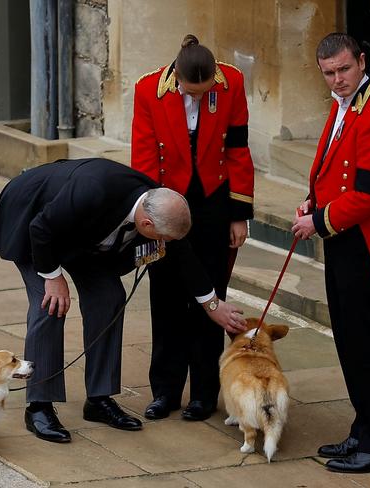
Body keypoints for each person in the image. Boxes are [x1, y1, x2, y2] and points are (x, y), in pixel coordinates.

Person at [0, 157, 242, 443]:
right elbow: (41, 229)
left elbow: (183, 255)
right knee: (49, 304)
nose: (165, 243)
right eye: (161, 237)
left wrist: (212, 304)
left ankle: (99, 399)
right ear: (146, 223)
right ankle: (39, 406)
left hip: (82, 236)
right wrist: (54, 278)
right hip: (32, 218)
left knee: (109, 296)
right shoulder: (93, 191)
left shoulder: (158, 202)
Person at [291, 33, 370, 473]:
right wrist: (312, 201)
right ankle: (364, 430)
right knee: (348, 341)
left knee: (366, 347)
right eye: (329, 74)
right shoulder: (347, 106)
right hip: (344, 239)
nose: (337, 81)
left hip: (366, 245)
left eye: (344, 70)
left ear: (361, 61)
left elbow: (369, 195)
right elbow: (332, 169)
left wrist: (317, 221)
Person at [132, 34, 254, 422]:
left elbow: (238, 148)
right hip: (167, 200)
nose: (199, 99)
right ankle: (164, 392)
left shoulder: (231, 81)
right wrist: (153, 219)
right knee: (165, 298)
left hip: (214, 202)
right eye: (192, 93)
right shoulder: (147, 89)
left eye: (205, 93)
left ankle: (203, 394)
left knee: (211, 295)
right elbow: (144, 155)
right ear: (178, 78)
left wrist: (239, 213)